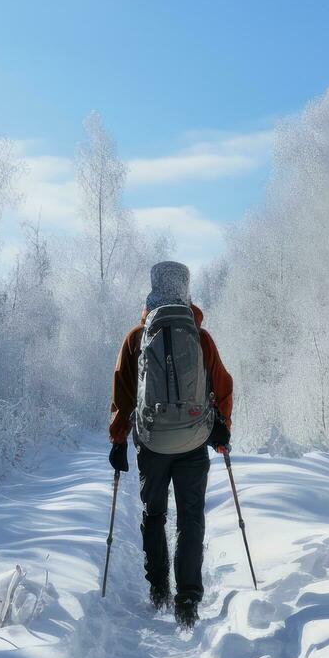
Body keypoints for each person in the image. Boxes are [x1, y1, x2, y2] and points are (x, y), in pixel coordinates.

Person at [108, 261, 233, 628]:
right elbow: (222, 385)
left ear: (152, 289)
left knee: (154, 514)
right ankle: (188, 598)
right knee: (191, 517)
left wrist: (118, 440)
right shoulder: (199, 336)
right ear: (185, 290)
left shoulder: (136, 337)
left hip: (153, 443)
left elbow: (123, 393)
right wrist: (222, 428)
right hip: (194, 441)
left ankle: (159, 586)